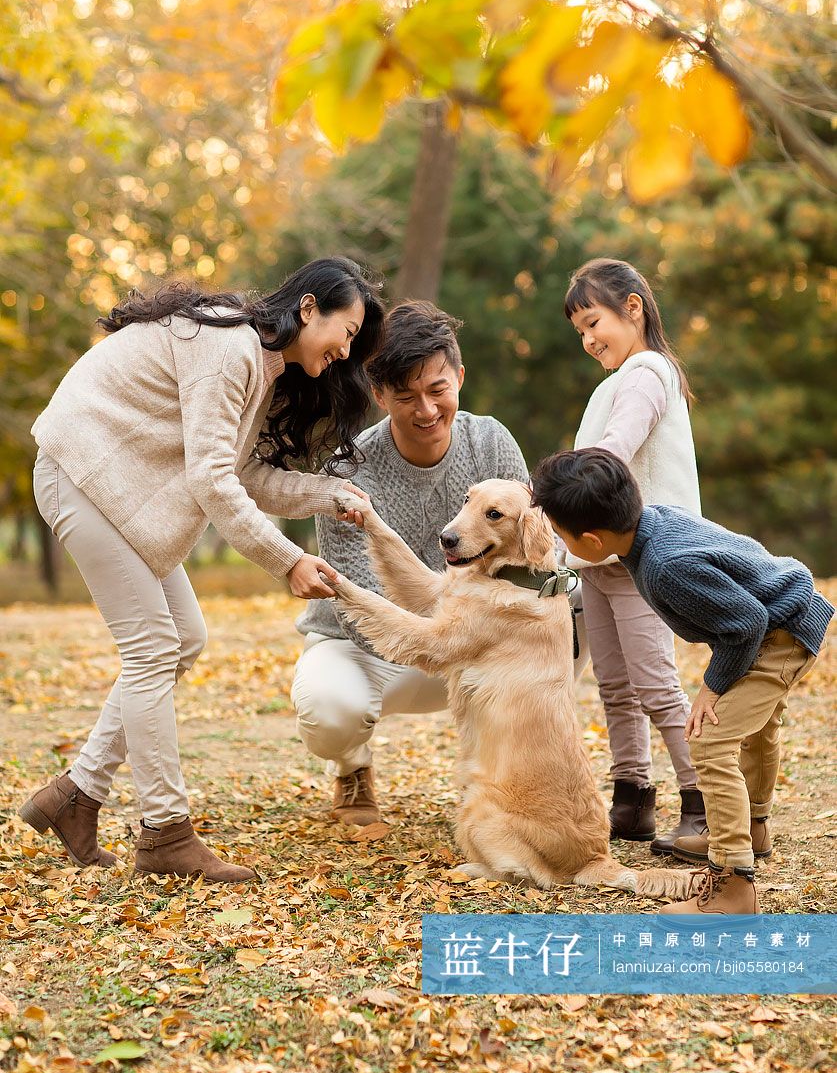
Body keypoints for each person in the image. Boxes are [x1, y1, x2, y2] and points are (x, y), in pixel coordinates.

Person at [20, 257, 384, 882]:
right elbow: (211, 480)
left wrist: (330, 495)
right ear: (307, 309)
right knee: (153, 647)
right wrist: (287, 560)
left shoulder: (256, 364)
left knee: (183, 637)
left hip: (114, 495)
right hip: (79, 475)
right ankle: (164, 832)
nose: (346, 352)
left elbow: (243, 476)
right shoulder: (227, 346)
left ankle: (76, 796)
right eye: (345, 332)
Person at [291, 301, 587, 825]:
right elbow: (366, 602)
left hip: (467, 636)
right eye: (405, 396)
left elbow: (532, 556)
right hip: (372, 648)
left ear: (460, 379)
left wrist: (473, 629)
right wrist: (455, 630)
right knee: (331, 710)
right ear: (378, 394)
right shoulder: (349, 470)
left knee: (580, 610)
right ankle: (352, 765)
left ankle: (510, 773)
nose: (426, 410)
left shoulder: (490, 440)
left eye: (437, 390)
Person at [531, 447, 833, 914]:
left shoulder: (666, 565)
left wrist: (711, 689)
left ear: (591, 541)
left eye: (558, 531)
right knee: (758, 729)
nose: (555, 537)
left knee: (710, 742)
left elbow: (746, 623)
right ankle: (751, 830)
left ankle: (734, 884)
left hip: (780, 633)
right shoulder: (651, 523)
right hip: (786, 616)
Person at [564, 257, 704, 854]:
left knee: (655, 684)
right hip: (599, 557)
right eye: (581, 332)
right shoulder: (614, 380)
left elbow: (614, 451)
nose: (590, 339)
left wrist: (554, 489)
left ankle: (702, 803)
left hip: (639, 552)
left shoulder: (647, 371)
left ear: (633, 307)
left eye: (595, 322)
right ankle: (632, 799)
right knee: (615, 685)